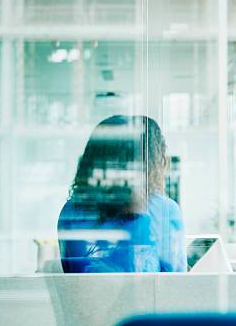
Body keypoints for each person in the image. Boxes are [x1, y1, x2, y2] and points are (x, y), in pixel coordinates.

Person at [57, 115, 186, 273]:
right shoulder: (164, 209)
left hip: (90, 296)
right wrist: (139, 216)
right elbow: (174, 278)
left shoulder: (71, 211)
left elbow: (77, 278)